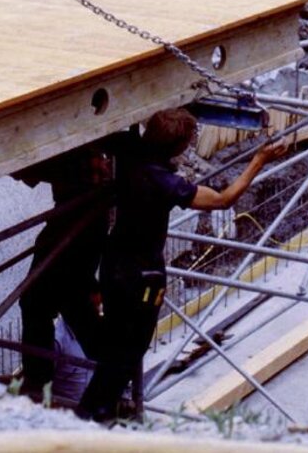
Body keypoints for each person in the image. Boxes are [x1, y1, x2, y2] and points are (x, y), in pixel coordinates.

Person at [77, 108, 286, 422]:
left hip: (113, 265)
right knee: (130, 349)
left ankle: (97, 407)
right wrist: (258, 161)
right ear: (177, 147)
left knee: (114, 340)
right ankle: (96, 412)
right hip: (142, 276)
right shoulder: (167, 183)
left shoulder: (128, 152)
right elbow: (223, 199)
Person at [11, 142, 117, 401]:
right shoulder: (82, 150)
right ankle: (112, 376)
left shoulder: (78, 156)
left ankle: (38, 384)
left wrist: (9, 154)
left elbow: (27, 172)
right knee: (70, 302)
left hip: (76, 226)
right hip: (76, 225)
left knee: (41, 302)